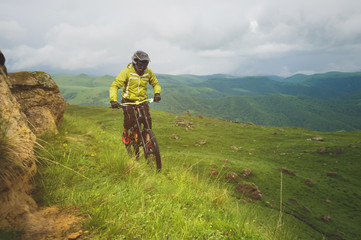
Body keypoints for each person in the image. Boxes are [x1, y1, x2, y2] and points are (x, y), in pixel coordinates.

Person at [109, 50, 161, 145]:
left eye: (145, 65)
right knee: (130, 120)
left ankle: (148, 142)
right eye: (140, 65)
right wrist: (113, 100)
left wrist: (157, 93)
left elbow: (155, 83)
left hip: (142, 100)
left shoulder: (148, 72)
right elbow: (115, 86)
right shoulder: (127, 72)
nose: (142, 68)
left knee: (147, 121)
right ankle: (125, 133)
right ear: (134, 63)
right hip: (128, 100)